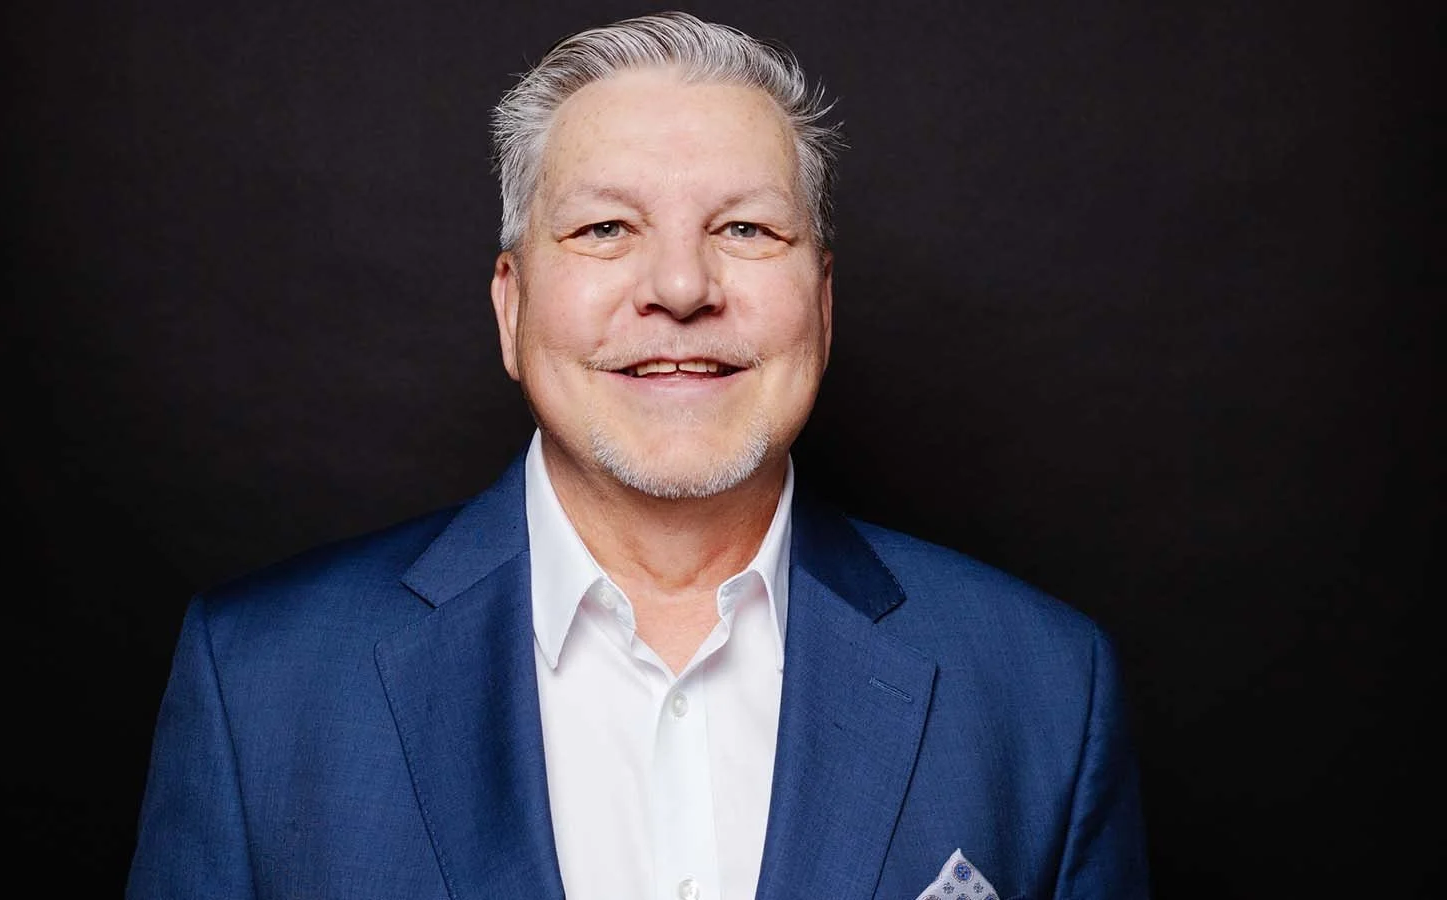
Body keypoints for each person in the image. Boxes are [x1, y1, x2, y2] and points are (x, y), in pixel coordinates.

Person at [125, 11, 1150, 900]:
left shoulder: (1041, 688)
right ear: (511, 303)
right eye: (606, 227)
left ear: (823, 307)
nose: (680, 286)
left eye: (746, 229)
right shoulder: (262, 683)